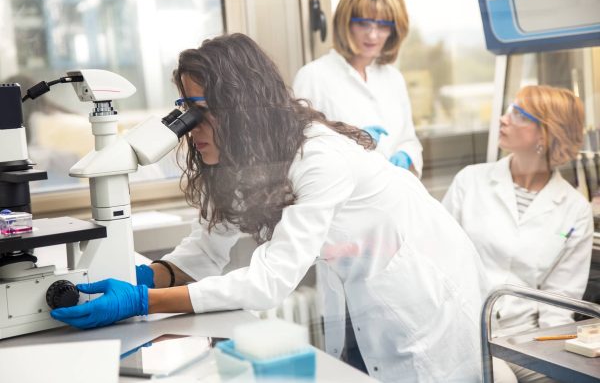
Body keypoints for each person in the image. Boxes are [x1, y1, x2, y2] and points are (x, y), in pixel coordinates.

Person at [51, 33, 487, 382]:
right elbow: (202, 255)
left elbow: (270, 281)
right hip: (363, 292)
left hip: (425, 296)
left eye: (200, 111)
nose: (189, 129)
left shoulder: (318, 157)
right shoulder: (242, 160)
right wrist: (139, 279)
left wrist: (141, 301)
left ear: (241, 108)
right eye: (184, 110)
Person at [442, 85, 593, 383]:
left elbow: (559, 299)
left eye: (518, 114)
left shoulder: (575, 209)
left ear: (545, 134)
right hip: (466, 328)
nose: (503, 119)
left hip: (530, 340)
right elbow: (437, 260)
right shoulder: (470, 182)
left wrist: (561, 361)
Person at [293, 0, 423, 176]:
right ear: (346, 22)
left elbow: (409, 140)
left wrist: (405, 155)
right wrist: (349, 144)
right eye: (363, 23)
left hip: (396, 196)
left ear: (394, 30)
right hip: (348, 203)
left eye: (382, 26)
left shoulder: (393, 78)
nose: (372, 34)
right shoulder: (313, 77)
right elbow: (299, 154)